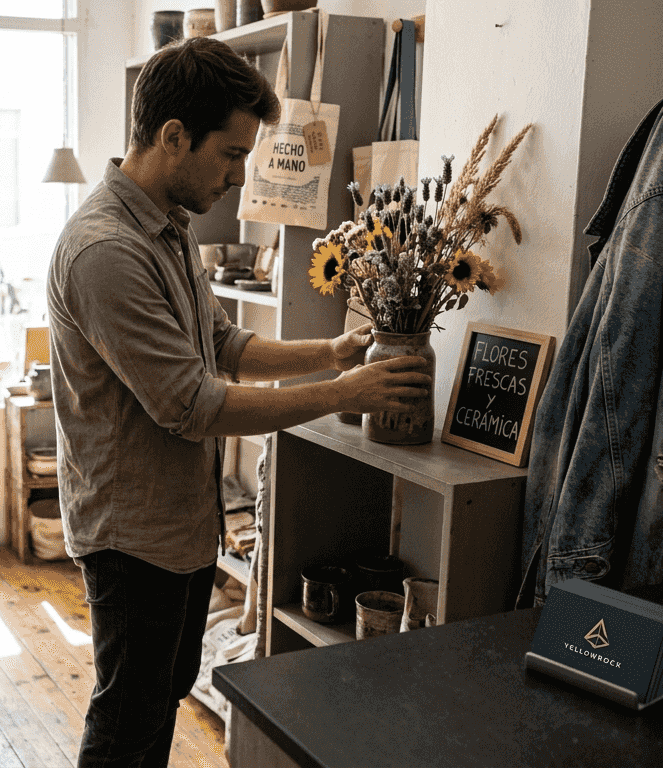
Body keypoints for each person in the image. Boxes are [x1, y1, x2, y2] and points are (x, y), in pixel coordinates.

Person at [47, 37, 432, 768]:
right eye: (230, 154)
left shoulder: (167, 226)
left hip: (178, 526)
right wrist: (344, 393)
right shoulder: (106, 251)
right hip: (132, 539)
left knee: (158, 702)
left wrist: (329, 352)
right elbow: (194, 405)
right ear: (173, 137)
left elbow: (221, 344)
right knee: (127, 724)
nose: (239, 175)